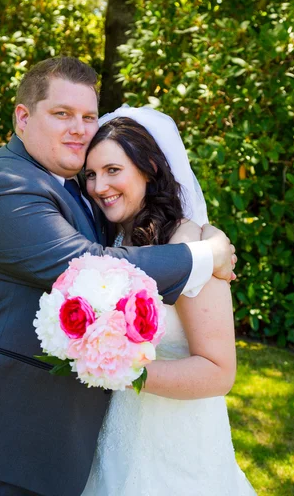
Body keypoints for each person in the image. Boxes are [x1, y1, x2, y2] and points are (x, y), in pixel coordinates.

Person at [0, 57, 235, 496]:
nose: (79, 128)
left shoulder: (75, 193)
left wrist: (202, 232)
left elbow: (129, 246)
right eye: (62, 114)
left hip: (42, 440)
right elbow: (87, 266)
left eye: (88, 117)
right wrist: (203, 254)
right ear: (23, 118)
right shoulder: (2, 184)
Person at [81, 108, 256, 495]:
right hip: (118, 432)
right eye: (91, 174)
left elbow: (219, 371)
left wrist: (123, 371)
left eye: (113, 170)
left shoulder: (191, 243)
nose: (98, 186)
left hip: (178, 445)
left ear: (150, 169)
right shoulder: (115, 242)